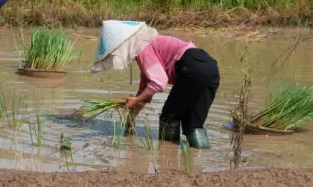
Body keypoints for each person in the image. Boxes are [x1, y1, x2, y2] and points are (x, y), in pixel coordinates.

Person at [90, 20, 220, 149]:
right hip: (211, 68)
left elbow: (159, 81)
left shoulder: (143, 50)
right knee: (194, 124)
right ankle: (200, 160)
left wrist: (138, 99)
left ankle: (167, 157)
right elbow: (144, 90)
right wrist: (132, 117)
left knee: (169, 116)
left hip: (191, 67)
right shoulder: (152, 45)